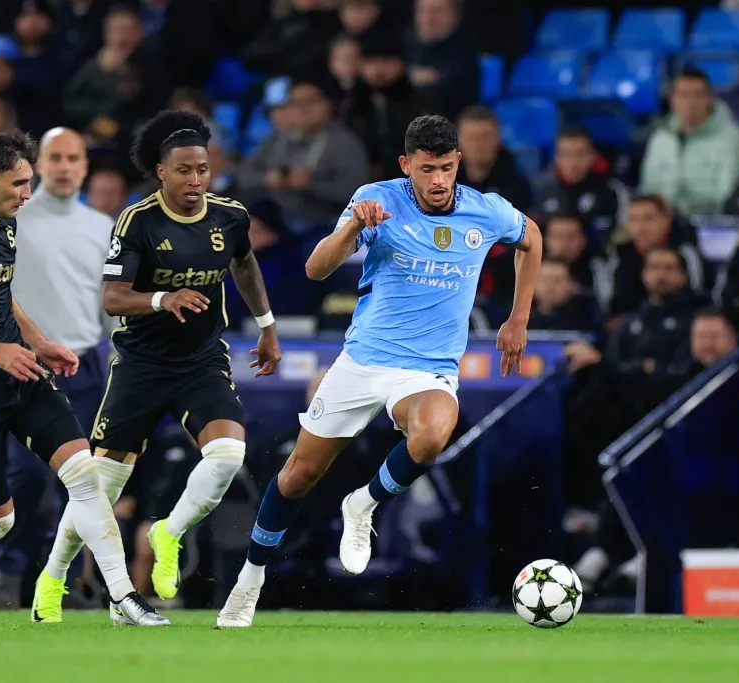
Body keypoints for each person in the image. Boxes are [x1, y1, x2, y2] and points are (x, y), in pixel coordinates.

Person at [217, 114, 543, 628]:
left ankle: (363, 504)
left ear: (458, 162)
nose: (438, 181)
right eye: (427, 169)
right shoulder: (379, 199)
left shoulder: (486, 211)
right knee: (298, 476)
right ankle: (249, 582)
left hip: (428, 370)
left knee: (434, 434)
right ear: (405, 165)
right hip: (363, 361)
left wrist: (518, 317)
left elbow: (532, 237)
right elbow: (315, 268)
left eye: (446, 168)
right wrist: (352, 226)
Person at [0, 129, 168, 627]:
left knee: (85, 476)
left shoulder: (5, 220)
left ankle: (123, 598)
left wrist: (37, 340)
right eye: (20, 183)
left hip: (21, 370)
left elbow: (0, 292)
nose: (29, 193)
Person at [34, 110, 282, 621]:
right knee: (99, 491)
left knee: (229, 453)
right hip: (142, 364)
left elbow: (244, 263)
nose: (195, 180)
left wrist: (267, 324)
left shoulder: (229, 217)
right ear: (161, 172)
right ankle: (53, 576)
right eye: (184, 170)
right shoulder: (136, 221)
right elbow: (112, 297)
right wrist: (162, 298)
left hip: (200, 359)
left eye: (202, 170)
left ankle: (168, 530)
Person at [0, 127, 115, 609]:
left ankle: (58, 584)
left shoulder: (103, 228)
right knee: (25, 477)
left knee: (79, 484)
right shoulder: (12, 219)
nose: (64, 167)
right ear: (39, 165)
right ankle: (8, 576)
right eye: (55, 157)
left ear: (85, 166)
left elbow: (109, 305)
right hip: (20, 365)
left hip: (83, 366)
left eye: (73, 158)